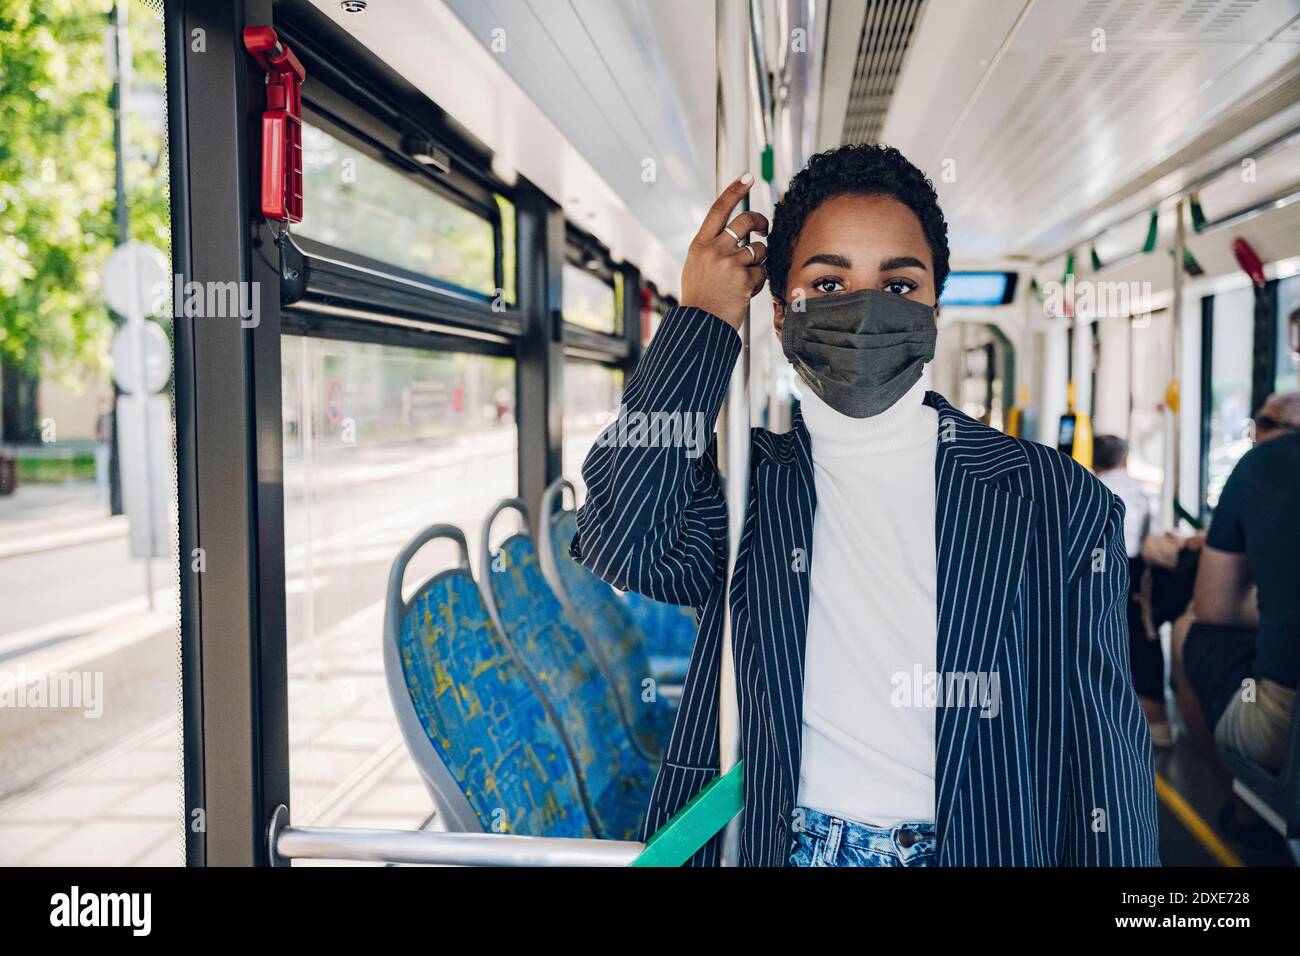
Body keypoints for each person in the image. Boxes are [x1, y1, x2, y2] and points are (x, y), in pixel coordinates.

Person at [571, 144, 1159, 866]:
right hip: (777, 845)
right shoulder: (751, 487)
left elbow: (1104, 753)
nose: (866, 308)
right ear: (782, 316)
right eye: (828, 282)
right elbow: (622, 536)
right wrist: (703, 319)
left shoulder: (1054, 500)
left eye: (900, 285)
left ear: (935, 312)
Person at [1181, 391, 1300, 774]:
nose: (1255, 435)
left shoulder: (1262, 463)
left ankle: (1240, 797)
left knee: (1189, 628)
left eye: (1265, 424)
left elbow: (1216, 607)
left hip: (1283, 723)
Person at [1092, 434, 1169, 745]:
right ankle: (1155, 720)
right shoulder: (1142, 491)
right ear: (1124, 459)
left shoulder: (1087, 486)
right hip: (1137, 572)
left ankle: (1106, 718)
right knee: (1142, 638)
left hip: (1099, 570)